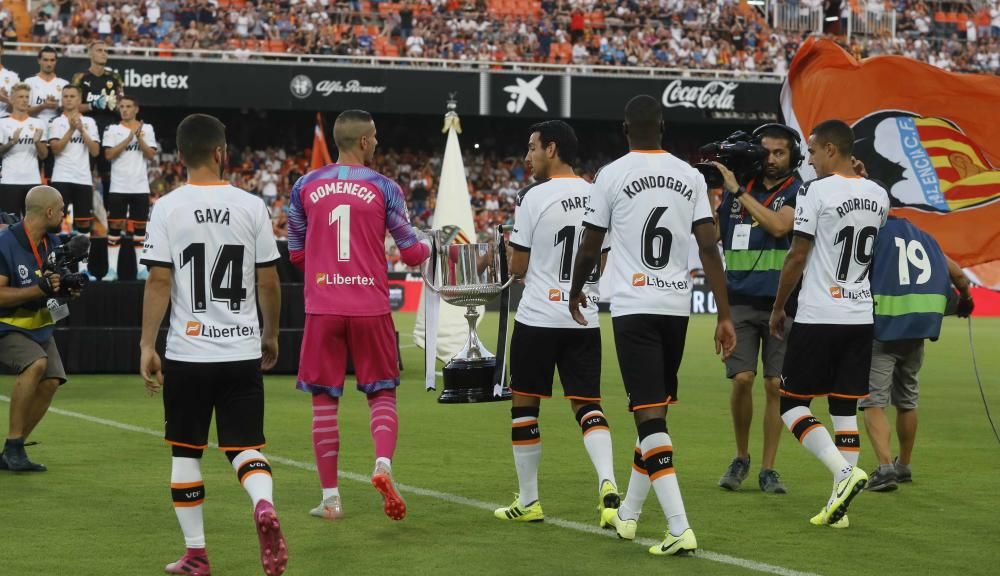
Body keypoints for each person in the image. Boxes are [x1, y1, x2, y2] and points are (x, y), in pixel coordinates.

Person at [570, 95, 736, 556]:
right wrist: (724, 314)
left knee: (648, 417)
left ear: (626, 129)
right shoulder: (689, 175)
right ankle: (628, 516)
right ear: (663, 126)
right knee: (655, 413)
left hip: (634, 305)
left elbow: (589, 246)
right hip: (675, 306)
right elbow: (709, 248)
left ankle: (680, 526)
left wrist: (575, 289)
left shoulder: (611, 174)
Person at [139, 114, 287, 576]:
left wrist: (147, 343)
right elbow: (269, 281)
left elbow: (159, 281)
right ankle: (262, 504)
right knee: (244, 447)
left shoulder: (166, 207)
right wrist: (270, 333)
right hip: (241, 350)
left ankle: (197, 555)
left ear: (179, 156)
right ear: (221, 152)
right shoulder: (251, 206)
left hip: (189, 351)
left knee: (186, 452)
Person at [287, 109, 430, 522]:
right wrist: (432, 246)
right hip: (370, 306)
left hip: (323, 308)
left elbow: (295, 252)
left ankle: (331, 500)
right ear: (365, 141)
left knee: (323, 402)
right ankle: (382, 466)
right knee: (381, 393)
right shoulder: (385, 187)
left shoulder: (304, 185)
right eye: (377, 138)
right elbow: (409, 252)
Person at [493, 120, 618, 524]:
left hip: (538, 317)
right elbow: (600, 258)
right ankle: (607, 481)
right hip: (584, 317)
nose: (527, 157)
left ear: (552, 148)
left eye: (532, 148)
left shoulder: (533, 196)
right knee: (588, 405)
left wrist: (508, 246)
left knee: (524, 406)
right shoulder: (598, 194)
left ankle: (529, 501)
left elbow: (518, 264)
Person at [768, 119, 889, 528]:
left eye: (814, 152)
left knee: (791, 405)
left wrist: (779, 307)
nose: (810, 159)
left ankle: (842, 473)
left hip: (820, 313)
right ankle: (841, 511)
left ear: (832, 150)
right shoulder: (878, 194)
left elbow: (798, 255)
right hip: (859, 314)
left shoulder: (814, 190)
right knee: (843, 408)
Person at [712, 124, 803, 494]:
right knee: (743, 379)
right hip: (739, 301)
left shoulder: (800, 190)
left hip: (782, 304)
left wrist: (736, 191)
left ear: (792, 156)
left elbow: (780, 227)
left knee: (774, 386)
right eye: (765, 152)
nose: (771, 159)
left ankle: (768, 468)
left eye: (779, 153)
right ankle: (741, 456)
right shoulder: (737, 188)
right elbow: (714, 235)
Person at [861, 214, 975, 491]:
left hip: (883, 327)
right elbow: (958, 274)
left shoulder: (872, 233)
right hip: (917, 329)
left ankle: (885, 468)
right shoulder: (925, 237)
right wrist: (966, 301)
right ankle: (904, 465)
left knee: (873, 401)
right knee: (907, 399)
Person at [0, 186, 73, 472]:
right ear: (49, 212)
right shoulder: (5, 242)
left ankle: (12, 450)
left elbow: (54, 289)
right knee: (36, 364)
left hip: (39, 324)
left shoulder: (52, 243)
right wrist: (37, 289)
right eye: (62, 208)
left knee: (53, 378)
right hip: (6, 325)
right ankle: (15, 446)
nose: (65, 213)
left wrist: (67, 288)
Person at [72, 40, 123, 279]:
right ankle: (79, 252)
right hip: (88, 137)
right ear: (91, 53)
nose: (104, 53)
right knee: (86, 187)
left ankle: (110, 251)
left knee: (112, 186)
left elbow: (124, 106)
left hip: (111, 138)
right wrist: (94, 103)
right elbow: (72, 103)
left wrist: (117, 106)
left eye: (106, 50)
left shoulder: (115, 77)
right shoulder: (81, 78)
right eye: (100, 50)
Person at [102, 96, 157, 281]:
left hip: (140, 186)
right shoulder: (112, 129)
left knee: (141, 230)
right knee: (115, 228)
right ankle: (112, 270)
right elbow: (108, 154)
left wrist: (139, 138)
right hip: (118, 186)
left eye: (128, 107)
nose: (124, 110)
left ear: (136, 109)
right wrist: (129, 138)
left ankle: (142, 271)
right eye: (122, 107)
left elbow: (150, 155)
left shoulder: (147, 129)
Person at [47, 85, 99, 239]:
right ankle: (58, 260)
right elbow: (55, 150)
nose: (68, 99)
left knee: (83, 223)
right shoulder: (56, 122)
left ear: (79, 99)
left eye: (72, 96)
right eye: (66, 96)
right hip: (61, 177)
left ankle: (83, 263)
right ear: (62, 99)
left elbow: (95, 151)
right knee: (57, 221)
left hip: (83, 178)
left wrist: (82, 130)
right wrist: (71, 130)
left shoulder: (89, 122)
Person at [0, 84, 48, 217]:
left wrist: (38, 142)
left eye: (27, 97)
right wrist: (12, 142)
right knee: (8, 223)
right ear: (12, 99)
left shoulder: (38, 123)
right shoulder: (2, 123)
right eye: (20, 96)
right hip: (9, 180)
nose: (24, 100)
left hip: (32, 180)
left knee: (33, 223)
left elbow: (44, 155)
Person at [25, 45, 68, 182]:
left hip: (56, 137)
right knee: (32, 175)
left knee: (53, 178)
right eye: (46, 60)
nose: (49, 63)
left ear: (56, 61)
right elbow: (23, 111)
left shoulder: (63, 84)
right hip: (33, 136)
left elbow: (69, 112)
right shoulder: (29, 82)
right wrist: (43, 106)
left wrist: (59, 107)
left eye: (52, 60)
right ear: (39, 61)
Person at [0, 40, 20, 120]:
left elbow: (18, 108)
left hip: (5, 121)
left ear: (2, 51)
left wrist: (6, 99)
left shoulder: (13, 77)